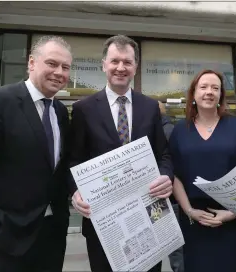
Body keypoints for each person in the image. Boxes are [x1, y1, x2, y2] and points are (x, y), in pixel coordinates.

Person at [0, 36, 73, 272]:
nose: (59, 72)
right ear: (31, 63)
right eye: (52, 63)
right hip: (8, 239)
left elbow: (56, 170)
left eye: (65, 67)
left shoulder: (60, 111)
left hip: (53, 236)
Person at [68, 34, 174, 272]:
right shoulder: (83, 109)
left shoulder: (150, 107)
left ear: (135, 67)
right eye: (115, 61)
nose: (120, 67)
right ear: (104, 64)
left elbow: (163, 155)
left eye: (127, 62)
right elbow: (73, 160)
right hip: (103, 220)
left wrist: (166, 177)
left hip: (149, 215)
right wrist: (75, 191)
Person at [169, 69, 236, 272]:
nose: (209, 92)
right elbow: (175, 175)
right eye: (203, 87)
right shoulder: (180, 130)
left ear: (221, 96)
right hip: (193, 220)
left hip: (232, 220)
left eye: (215, 88)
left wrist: (233, 213)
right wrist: (189, 210)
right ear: (194, 94)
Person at [158, 101, 184, 272]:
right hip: (174, 198)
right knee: (177, 250)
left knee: (174, 249)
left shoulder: (163, 132)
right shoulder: (174, 129)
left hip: (167, 198)